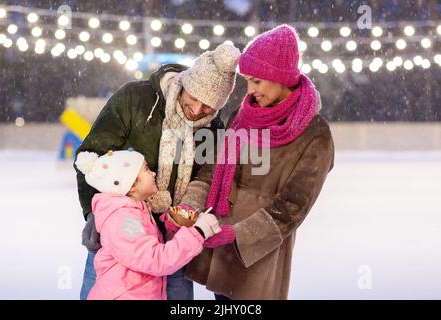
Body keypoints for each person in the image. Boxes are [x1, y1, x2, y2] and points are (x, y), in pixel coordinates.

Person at [174, 24, 335, 299]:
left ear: (280, 77)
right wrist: (189, 206)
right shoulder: (244, 113)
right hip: (219, 240)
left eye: (256, 81)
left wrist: (239, 235)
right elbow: (213, 168)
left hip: (257, 252)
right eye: (247, 80)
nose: (249, 90)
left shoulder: (314, 133)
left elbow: (294, 205)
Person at [75, 43, 241, 300]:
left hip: (174, 242)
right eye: (194, 98)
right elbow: (93, 155)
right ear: (185, 83)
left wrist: (185, 212)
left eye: (208, 106)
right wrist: (91, 214)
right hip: (122, 234)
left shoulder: (212, 127)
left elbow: (206, 175)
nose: (197, 110)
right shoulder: (136, 99)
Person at [75, 149, 221, 299]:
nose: (153, 173)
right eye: (146, 169)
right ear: (131, 186)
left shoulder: (134, 211)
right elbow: (157, 260)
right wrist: (199, 232)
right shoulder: (124, 219)